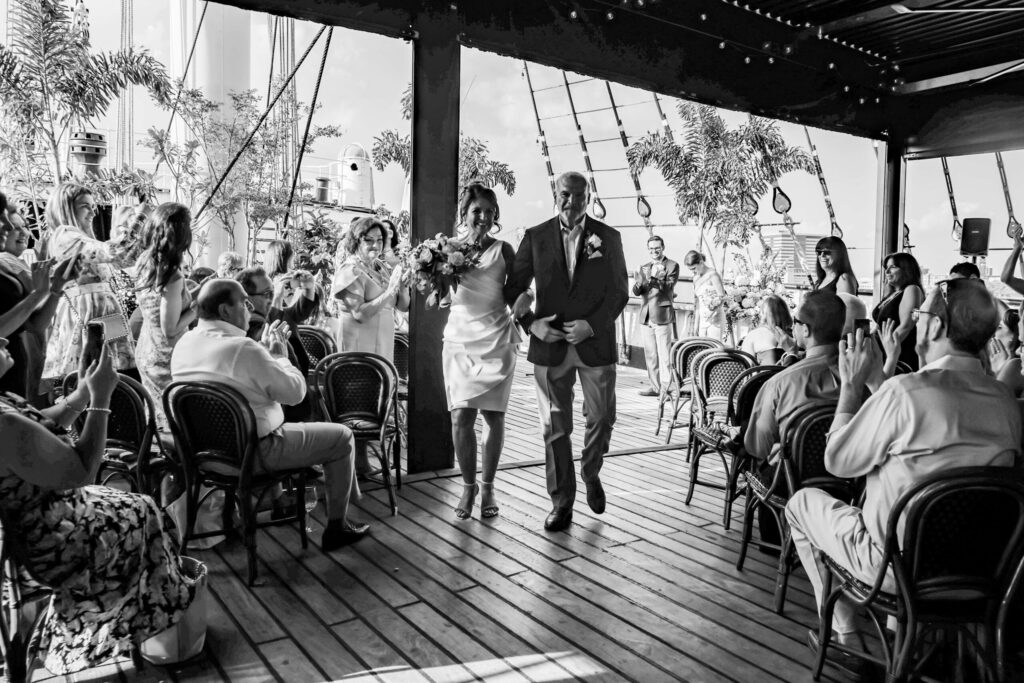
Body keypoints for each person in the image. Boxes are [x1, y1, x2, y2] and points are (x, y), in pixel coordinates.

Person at [787, 278, 1021, 666]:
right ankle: (914, 642)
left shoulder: (904, 393)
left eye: (920, 314)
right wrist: (882, 380)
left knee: (801, 503)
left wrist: (850, 386)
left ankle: (846, 636)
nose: (915, 320)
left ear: (935, 327)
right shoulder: (1004, 401)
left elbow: (838, 461)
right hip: (980, 573)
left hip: (896, 571)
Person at [0, 340, 201, 675]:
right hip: (42, 545)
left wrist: (80, 396)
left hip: (18, 528)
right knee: (146, 509)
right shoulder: (4, 426)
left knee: (138, 505)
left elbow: (38, 429)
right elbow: (82, 470)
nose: (5, 337)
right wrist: (102, 399)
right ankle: (147, 616)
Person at [171, 279, 369, 550]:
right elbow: (294, 393)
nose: (250, 306)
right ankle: (337, 527)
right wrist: (280, 357)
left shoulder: (185, 343)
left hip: (203, 454)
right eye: (244, 301)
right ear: (226, 311)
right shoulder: (242, 347)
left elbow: (239, 376)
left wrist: (264, 355)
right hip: (255, 453)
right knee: (342, 437)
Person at [505, 171, 629, 532]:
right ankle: (562, 502)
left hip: (595, 342)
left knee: (603, 417)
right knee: (555, 429)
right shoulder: (535, 236)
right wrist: (530, 324)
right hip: (550, 345)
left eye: (578, 195)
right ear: (554, 195)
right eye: (565, 195)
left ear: (587, 197)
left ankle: (591, 470)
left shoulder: (609, 237)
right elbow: (514, 288)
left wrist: (593, 324)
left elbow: (619, 291)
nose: (571, 202)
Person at [443, 184, 521, 520]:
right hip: (460, 339)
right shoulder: (445, 250)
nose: (484, 217)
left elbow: (518, 292)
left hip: (496, 338)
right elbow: (440, 293)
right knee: (461, 415)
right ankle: (468, 486)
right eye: (478, 210)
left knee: (494, 415)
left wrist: (528, 306)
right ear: (465, 213)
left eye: (490, 212)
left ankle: (488, 485)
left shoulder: (505, 250)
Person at [744, 290, 845, 544]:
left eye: (797, 323)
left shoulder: (780, 383)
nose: (793, 328)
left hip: (790, 484)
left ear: (807, 331)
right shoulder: (865, 379)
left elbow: (758, 446)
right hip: (850, 485)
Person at [41, 182, 137, 391]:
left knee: (115, 375)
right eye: (86, 206)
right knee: (88, 377)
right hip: (88, 313)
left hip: (104, 312)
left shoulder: (80, 238)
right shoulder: (65, 235)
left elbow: (126, 260)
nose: (93, 212)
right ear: (66, 208)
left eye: (93, 206)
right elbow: (112, 253)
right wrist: (137, 222)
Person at [0, 202, 74, 402]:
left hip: (18, 357)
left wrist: (57, 287)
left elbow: (36, 324)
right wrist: (40, 292)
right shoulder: (7, 261)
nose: (22, 232)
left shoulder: (11, 265)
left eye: (24, 225)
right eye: (14, 227)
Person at [134, 203, 198, 431]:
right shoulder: (172, 274)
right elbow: (170, 329)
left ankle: (155, 461)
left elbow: (153, 310)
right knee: (174, 423)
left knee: (155, 417)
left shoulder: (144, 263)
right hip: (166, 357)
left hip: (146, 348)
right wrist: (198, 308)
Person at [236, 265, 316, 422]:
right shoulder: (248, 324)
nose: (271, 297)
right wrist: (277, 298)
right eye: (267, 294)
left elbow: (299, 313)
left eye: (273, 291)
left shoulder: (271, 312)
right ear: (247, 299)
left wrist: (309, 288)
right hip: (284, 410)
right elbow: (263, 334)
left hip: (294, 396)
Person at [331, 217, 409, 362]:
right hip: (359, 346)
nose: (376, 245)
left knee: (384, 381)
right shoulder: (350, 270)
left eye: (379, 240)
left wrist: (402, 287)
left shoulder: (382, 266)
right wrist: (391, 290)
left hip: (384, 344)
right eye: (369, 240)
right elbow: (360, 314)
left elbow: (402, 307)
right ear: (356, 241)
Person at [633, 235, 679, 396]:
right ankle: (655, 387)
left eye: (657, 247)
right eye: (651, 248)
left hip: (662, 314)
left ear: (663, 247)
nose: (654, 251)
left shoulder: (672, 265)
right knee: (650, 354)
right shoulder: (644, 266)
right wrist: (639, 282)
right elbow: (637, 291)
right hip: (646, 315)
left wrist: (651, 278)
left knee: (664, 354)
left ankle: (666, 388)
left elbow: (668, 287)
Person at [872, 252, 924, 371]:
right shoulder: (893, 293)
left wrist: (884, 351)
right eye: (886, 268)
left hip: (898, 357)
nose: (887, 272)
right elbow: (880, 326)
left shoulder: (912, 289)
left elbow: (906, 326)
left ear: (907, 269)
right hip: (885, 353)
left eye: (893, 267)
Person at [686, 250, 731, 345]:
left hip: (715, 318)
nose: (693, 271)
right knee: (703, 347)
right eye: (690, 269)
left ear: (701, 262)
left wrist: (712, 311)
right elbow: (698, 302)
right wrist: (696, 324)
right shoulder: (695, 278)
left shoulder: (713, 275)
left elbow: (722, 297)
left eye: (694, 268)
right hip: (702, 319)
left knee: (715, 347)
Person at [740, 294, 795, 365]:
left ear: (763, 313)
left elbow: (746, 366)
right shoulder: (794, 336)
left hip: (763, 375)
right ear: (786, 313)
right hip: (788, 374)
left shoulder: (753, 335)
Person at [990, 305, 1023, 397]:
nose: (992, 332)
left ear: (1013, 336)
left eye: (1000, 327)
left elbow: (992, 401)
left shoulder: (1016, 365)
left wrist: (995, 371)